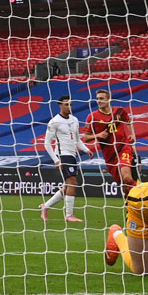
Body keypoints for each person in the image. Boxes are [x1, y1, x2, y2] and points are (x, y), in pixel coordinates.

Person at [40, 95, 91, 223]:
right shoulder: (54, 121)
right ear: (60, 106)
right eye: (66, 104)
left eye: (71, 104)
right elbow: (47, 143)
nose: (69, 107)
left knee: (69, 185)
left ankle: (46, 206)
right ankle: (69, 215)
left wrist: (86, 150)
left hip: (73, 155)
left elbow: (77, 140)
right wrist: (56, 160)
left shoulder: (74, 120)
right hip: (63, 155)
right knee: (72, 182)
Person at [83, 89, 138, 197]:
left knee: (127, 177)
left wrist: (132, 134)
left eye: (101, 98)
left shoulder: (119, 111)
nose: (98, 101)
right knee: (125, 185)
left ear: (108, 99)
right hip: (110, 156)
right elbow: (86, 138)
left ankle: (143, 196)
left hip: (123, 147)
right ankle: (131, 209)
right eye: (97, 98)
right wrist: (97, 135)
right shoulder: (92, 117)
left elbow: (129, 121)